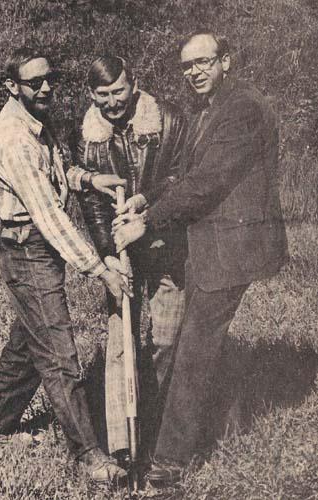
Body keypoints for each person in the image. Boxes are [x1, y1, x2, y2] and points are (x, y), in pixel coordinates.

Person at [113, 31, 288, 482]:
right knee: (205, 340)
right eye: (187, 66)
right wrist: (146, 199)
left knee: (193, 349)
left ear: (226, 61)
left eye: (203, 62)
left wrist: (146, 222)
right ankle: (226, 425)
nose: (194, 72)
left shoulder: (243, 108)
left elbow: (207, 184)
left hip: (232, 246)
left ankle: (168, 462)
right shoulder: (211, 108)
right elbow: (186, 175)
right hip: (212, 240)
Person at [0, 46, 131, 484]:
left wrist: (90, 178)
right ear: (12, 86)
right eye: (34, 82)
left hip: (36, 245)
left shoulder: (36, 122)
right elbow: (51, 218)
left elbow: (58, 173)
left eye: (49, 78)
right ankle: (91, 457)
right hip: (27, 248)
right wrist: (101, 270)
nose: (45, 88)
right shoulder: (16, 138)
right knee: (58, 354)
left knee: (29, 342)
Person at [74, 55, 187, 462]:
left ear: (133, 84)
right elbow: (91, 202)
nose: (112, 101)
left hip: (166, 245)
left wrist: (146, 201)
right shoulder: (87, 135)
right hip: (121, 253)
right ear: (92, 95)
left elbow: (182, 176)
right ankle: (122, 444)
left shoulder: (169, 119)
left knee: (168, 339)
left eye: (118, 91)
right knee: (120, 341)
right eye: (102, 94)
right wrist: (108, 254)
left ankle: (158, 424)